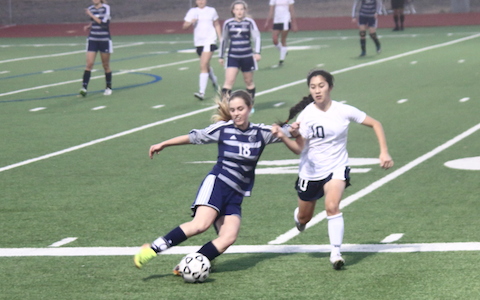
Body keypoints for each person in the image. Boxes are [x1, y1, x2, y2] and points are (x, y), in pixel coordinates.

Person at [134, 90, 292, 273]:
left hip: (235, 195)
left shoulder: (261, 133)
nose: (236, 113)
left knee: (228, 237)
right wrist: (164, 144)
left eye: (240, 109)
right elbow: (194, 137)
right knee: (200, 225)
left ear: (250, 108)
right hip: (217, 185)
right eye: (233, 110)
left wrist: (296, 128)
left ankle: (189, 263)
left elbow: (294, 132)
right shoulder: (223, 129)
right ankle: (152, 249)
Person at [271, 69, 394, 270]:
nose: (317, 91)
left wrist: (384, 152)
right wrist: (286, 136)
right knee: (304, 218)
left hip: (336, 167)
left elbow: (375, 124)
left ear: (330, 87)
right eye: (313, 87)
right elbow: (298, 150)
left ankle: (336, 253)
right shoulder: (307, 115)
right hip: (310, 172)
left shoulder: (343, 110)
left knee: (332, 206)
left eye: (321, 86)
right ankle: (299, 217)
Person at [219, 1, 261, 104]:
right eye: (237, 9)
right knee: (229, 81)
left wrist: (257, 52)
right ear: (233, 11)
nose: (239, 12)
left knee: (248, 82)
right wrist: (221, 55)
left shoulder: (249, 22)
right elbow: (224, 40)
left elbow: (257, 37)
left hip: (247, 56)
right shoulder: (228, 23)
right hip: (233, 56)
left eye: (241, 9)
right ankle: (224, 105)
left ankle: (250, 104)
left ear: (245, 10)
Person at [183, 0, 222, 101]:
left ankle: (201, 92)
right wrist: (191, 22)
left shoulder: (211, 11)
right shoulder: (192, 11)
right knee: (206, 65)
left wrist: (220, 37)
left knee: (203, 65)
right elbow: (184, 26)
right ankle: (214, 79)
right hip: (198, 42)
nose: (201, 1)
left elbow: (216, 24)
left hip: (210, 40)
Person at [79, 0, 112, 97]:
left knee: (105, 65)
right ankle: (84, 88)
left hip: (104, 39)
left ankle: (108, 87)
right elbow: (94, 22)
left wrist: (91, 15)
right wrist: (89, 26)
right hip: (92, 39)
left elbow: (104, 23)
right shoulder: (91, 9)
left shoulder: (106, 8)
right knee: (89, 64)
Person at [264, 0, 298, 66]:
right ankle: (283, 51)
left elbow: (291, 10)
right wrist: (267, 22)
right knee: (274, 40)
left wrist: (294, 23)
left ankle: (281, 60)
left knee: (283, 40)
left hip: (286, 20)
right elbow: (271, 10)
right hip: (277, 20)